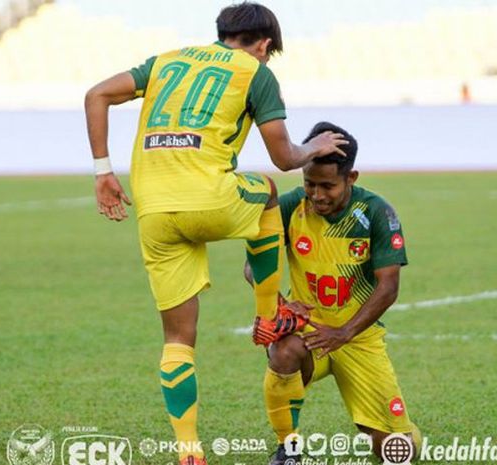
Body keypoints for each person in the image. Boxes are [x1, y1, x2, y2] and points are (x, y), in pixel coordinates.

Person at [84, 4, 347, 465]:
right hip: (210, 199)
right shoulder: (255, 72)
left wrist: (103, 171)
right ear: (264, 45)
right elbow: (286, 157)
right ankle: (268, 317)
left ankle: (189, 451)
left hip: (155, 212)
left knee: (178, 340)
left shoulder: (166, 61)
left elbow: (97, 94)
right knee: (266, 191)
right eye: (269, 54)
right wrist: (316, 147)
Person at [245, 122, 421, 465]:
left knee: (398, 452)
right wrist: (278, 305)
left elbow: (388, 287)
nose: (317, 194)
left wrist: (343, 332)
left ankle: (405, 431)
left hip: (357, 338)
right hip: (309, 333)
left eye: (328, 186)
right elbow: (254, 267)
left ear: (350, 178)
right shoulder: (289, 207)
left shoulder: (375, 212)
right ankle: (288, 449)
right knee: (283, 351)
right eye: (309, 183)